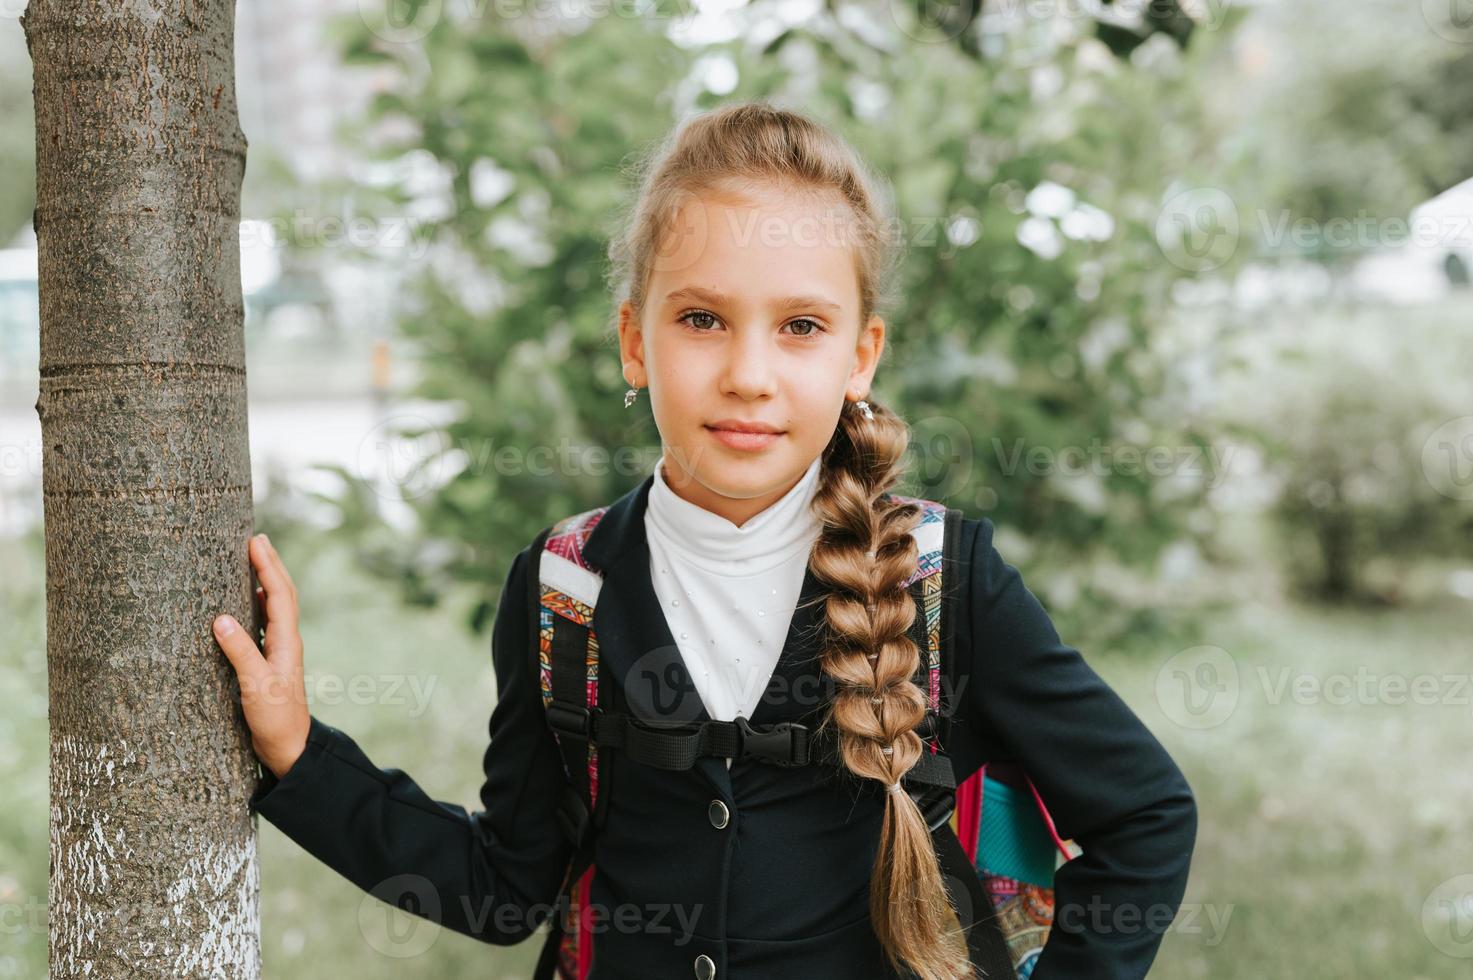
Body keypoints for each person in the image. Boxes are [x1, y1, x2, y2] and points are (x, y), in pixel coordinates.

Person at [213, 101, 1197, 980]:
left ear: (862, 355)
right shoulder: (563, 590)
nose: (748, 372)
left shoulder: (943, 580)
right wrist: (299, 752)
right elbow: (508, 887)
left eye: (801, 325)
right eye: (701, 318)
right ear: (635, 341)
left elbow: (1146, 815)